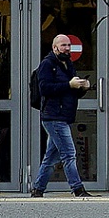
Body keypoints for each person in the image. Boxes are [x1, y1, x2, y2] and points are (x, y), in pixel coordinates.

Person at [29, 35, 93, 197]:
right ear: (54, 47)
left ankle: (38, 189)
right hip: (53, 116)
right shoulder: (47, 64)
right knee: (69, 154)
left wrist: (82, 87)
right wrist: (68, 84)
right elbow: (45, 89)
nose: (67, 48)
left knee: (51, 157)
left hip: (63, 116)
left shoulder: (68, 64)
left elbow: (72, 93)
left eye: (69, 45)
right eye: (63, 45)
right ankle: (77, 189)